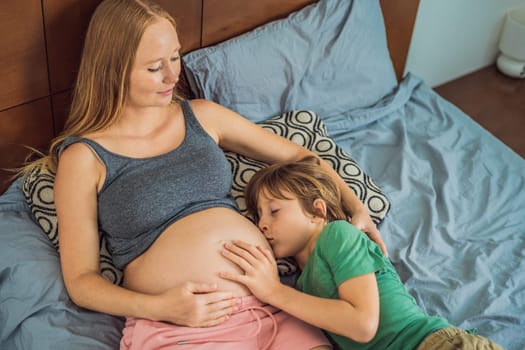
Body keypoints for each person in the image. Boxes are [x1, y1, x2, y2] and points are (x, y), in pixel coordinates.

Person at [18, 0, 387, 349]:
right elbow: (81, 281)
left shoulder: (202, 116)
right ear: (113, 69)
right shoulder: (83, 158)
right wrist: (161, 307)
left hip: (274, 303)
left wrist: (356, 207)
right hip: (181, 325)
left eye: (175, 57)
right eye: (153, 67)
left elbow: (300, 156)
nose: (171, 75)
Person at [220, 157, 504, 350]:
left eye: (275, 210)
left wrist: (274, 292)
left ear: (317, 211)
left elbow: (362, 325)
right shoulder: (302, 287)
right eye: (258, 215)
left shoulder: (338, 234)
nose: (262, 224)